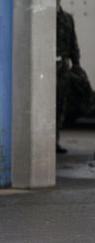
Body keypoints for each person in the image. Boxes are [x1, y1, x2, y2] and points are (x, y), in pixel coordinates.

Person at [56, 0, 80, 154]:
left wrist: (76, 64)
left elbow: (73, 43)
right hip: (46, 68)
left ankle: (54, 141)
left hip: (62, 68)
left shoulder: (67, 19)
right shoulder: (43, 18)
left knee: (60, 105)